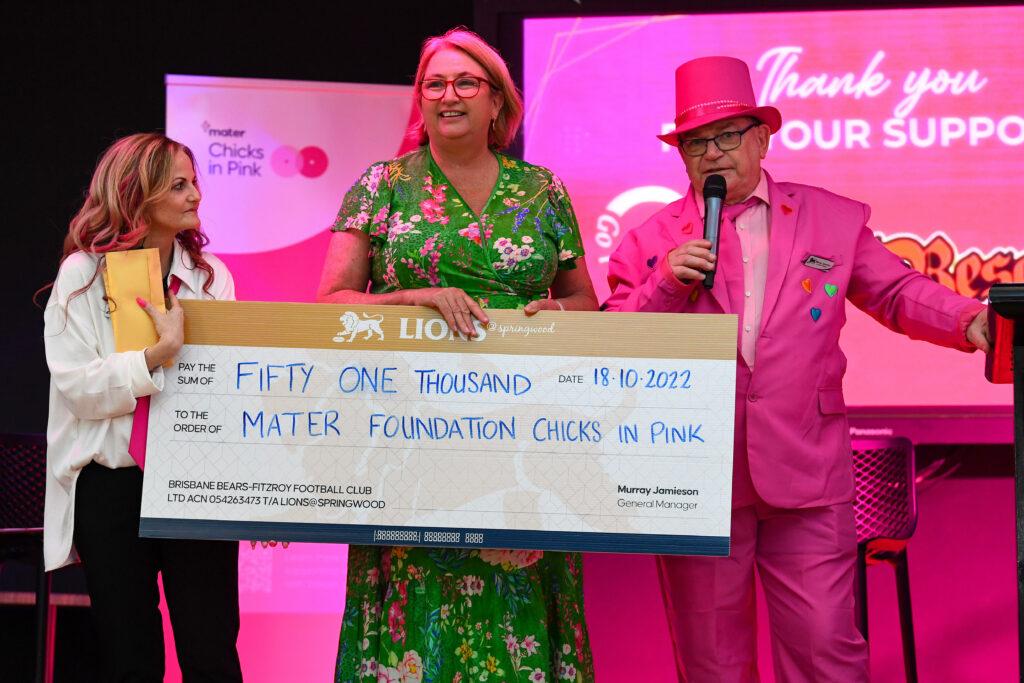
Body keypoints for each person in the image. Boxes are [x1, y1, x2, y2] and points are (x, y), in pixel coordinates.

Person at [604, 56, 992, 682]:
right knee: (712, 665)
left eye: (728, 135)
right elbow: (613, 350)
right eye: (697, 142)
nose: (712, 152)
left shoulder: (830, 219)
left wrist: (970, 322)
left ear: (762, 139)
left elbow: (897, 292)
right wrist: (666, 284)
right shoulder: (649, 242)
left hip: (807, 473)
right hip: (694, 482)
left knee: (824, 654)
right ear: (682, 157)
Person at [317, 27, 598, 683]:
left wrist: (554, 315)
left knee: (521, 603)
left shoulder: (543, 190)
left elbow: (585, 300)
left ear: (497, 100)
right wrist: (413, 297)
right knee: (418, 613)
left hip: (524, 443)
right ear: (421, 99)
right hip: (410, 443)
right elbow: (330, 303)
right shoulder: (381, 184)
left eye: (466, 82)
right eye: (434, 83)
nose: (449, 95)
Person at [42, 133, 243, 682]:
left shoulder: (211, 276)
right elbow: (78, 388)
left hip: (195, 484)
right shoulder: (82, 274)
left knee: (212, 655)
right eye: (178, 185)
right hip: (112, 484)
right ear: (137, 195)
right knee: (130, 660)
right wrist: (155, 357)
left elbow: (226, 390)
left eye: (194, 182)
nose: (195, 195)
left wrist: (251, 487)